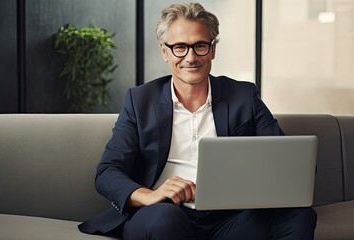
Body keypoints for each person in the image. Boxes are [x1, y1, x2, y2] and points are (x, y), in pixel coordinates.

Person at [79, 3, 316, 239]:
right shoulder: (140, 101)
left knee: (300, 214)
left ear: (212, 49)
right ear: (165, 52)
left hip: (230, 219)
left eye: (200, 46)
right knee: (164, 220)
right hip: (164, 214)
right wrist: (149, 195)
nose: (191, 57)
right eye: (180, 47)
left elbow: (286, 164)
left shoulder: (244, 96)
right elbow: (108, 172)